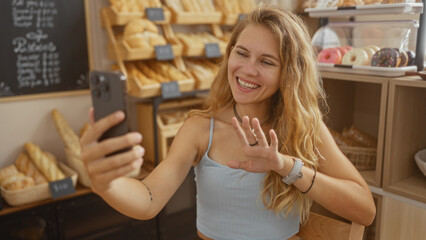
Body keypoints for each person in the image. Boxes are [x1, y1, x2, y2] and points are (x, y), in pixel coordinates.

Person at [81, 4, 376, 240]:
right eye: (242, 53)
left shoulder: (303, 127)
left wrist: (284, 166)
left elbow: (365, 211)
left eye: (266, 61)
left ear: (288, 73)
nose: (247, 70)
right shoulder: (199, 128)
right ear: (229, 54)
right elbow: (148, 200)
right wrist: (105, 184)